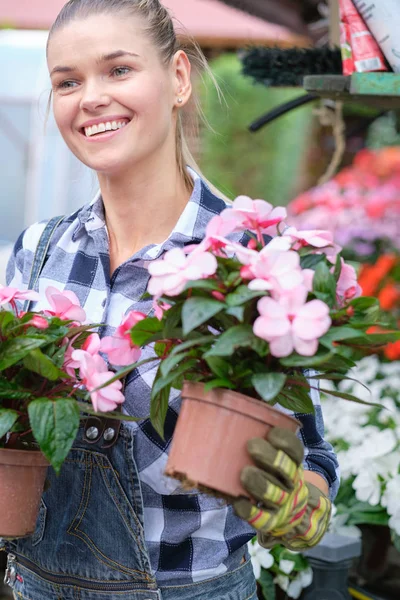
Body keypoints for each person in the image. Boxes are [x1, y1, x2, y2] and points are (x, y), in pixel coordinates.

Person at [2, 1, 339, 598]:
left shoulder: (251, 256)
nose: (92, 98)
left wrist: (293, 508)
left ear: (178, 79)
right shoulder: (40, 249)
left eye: (119, 70)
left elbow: (313, 461)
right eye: (68, 82)